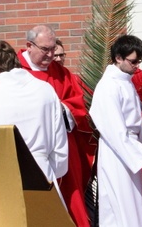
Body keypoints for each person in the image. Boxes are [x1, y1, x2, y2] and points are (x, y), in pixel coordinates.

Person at [17, 25, 93, 227]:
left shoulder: (61, 72)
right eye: (45, 50)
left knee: (70, 198)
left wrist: (59, 109)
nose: (51, 55)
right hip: (26, 147)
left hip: (61, 146)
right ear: (29, 46)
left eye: (53, 49)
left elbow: (77, 104)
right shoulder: (13, 70)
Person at [0, 40, 68, 204]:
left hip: (8, 172)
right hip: (42, 169)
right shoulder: (45, 88)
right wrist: (55, 170)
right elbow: (59, 136)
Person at [89, 34, 142, 227]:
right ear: (118, 58)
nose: (137, 65)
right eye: (133, 61)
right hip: (117, 153)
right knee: (119, 207)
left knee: (133, 205)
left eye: (139, 61)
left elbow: (125, 119)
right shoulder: (108, 86)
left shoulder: (124, 79)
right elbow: (114, 130)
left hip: (128, 149)